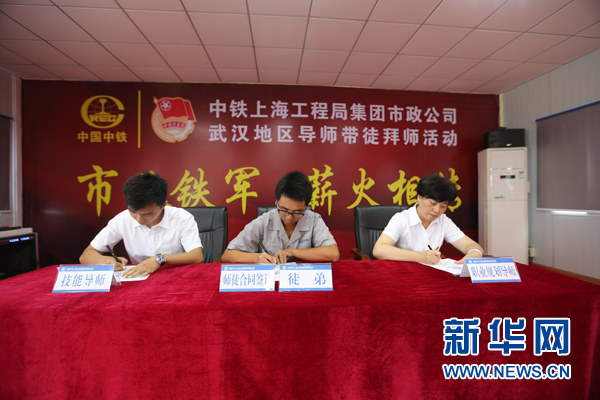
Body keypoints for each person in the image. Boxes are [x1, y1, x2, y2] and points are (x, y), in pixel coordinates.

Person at [79, 172, 203, 277]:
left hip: (176, 276)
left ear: (164, 205)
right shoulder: (122, 219)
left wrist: (159, 259)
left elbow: (197, 256)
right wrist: (105, 260)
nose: (139, 219)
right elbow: (86, 255)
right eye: (133, 212)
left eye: (147, 214)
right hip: (138, 278)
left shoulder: (182, 218)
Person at [221, 171, 339, 264]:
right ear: (276, 202)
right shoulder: (264, 221)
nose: (289, 217)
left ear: (305, 207)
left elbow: (333, 254)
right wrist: (257, 257)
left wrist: (292, 252)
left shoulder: (313, 220)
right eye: (284, 210)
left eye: (297, 212)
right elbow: (227, 255)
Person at [372, 173, 483, 265]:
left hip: (430, 273)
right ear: (419, 197)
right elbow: (379, 249)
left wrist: (474, 253)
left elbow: (472, 245)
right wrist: (420, 256)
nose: (437, 210)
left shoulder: (443, 221)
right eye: (432, 203)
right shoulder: (402, 219)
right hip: (402, 272)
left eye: (443, 206)